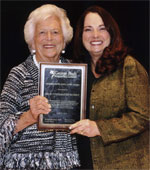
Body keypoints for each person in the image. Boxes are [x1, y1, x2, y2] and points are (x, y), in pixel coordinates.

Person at [0, 4, 80, 170]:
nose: (49, 38)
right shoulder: (19, 74)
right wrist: (29, 116)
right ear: (32, 41)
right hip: (25, 165)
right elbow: (1, 131)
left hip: (68, 164)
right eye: (42, 32)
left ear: (64, 40)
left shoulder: (77, 72)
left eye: (55, 32)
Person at [69, 5, 149, 170]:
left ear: (111, 33)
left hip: (127, 163)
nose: (95, 35)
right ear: (81, 35)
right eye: (88, 29)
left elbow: (143, 118)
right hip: (86, 162)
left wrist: (99, 128)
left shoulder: (128, 66)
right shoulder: (75, 71)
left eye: (102, 28)